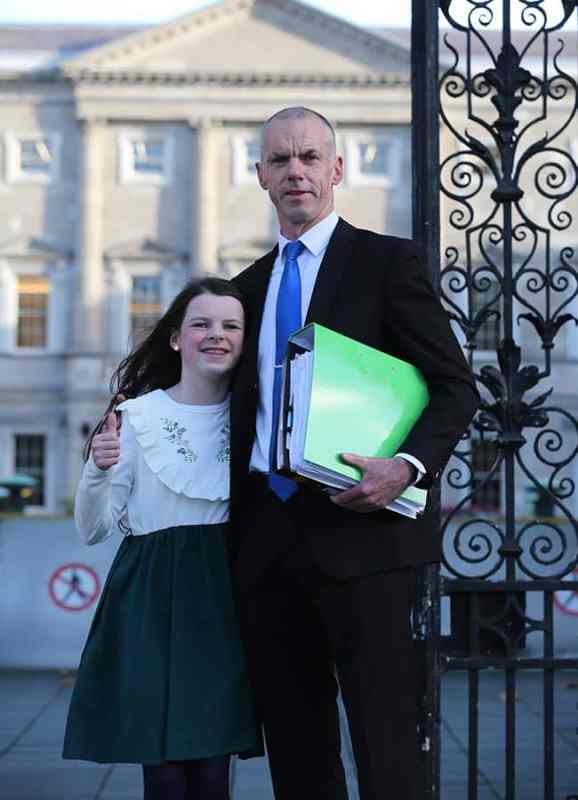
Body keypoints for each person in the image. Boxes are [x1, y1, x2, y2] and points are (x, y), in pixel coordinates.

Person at [229, 107, 480, 800]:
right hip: (267, 545)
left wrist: (407, 467)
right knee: (298, 756)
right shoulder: (244, 289)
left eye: (309, 156)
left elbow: (457, 389)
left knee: (387, 747)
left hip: (366, 541)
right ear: (261, 177)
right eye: (279, 160)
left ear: (336, 169)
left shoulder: (386, 263)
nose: (295, 171)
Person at [62, 277, 260, 800]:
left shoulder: (256, 417)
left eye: (230, 326)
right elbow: (93, 529)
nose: (216, 335)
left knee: (213, 767)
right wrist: (98, 471)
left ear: (245, 339)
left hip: (227, 594)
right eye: (201, 324)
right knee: (167, 771)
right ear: (176, 339)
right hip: (151, 593)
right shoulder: (136, 416)